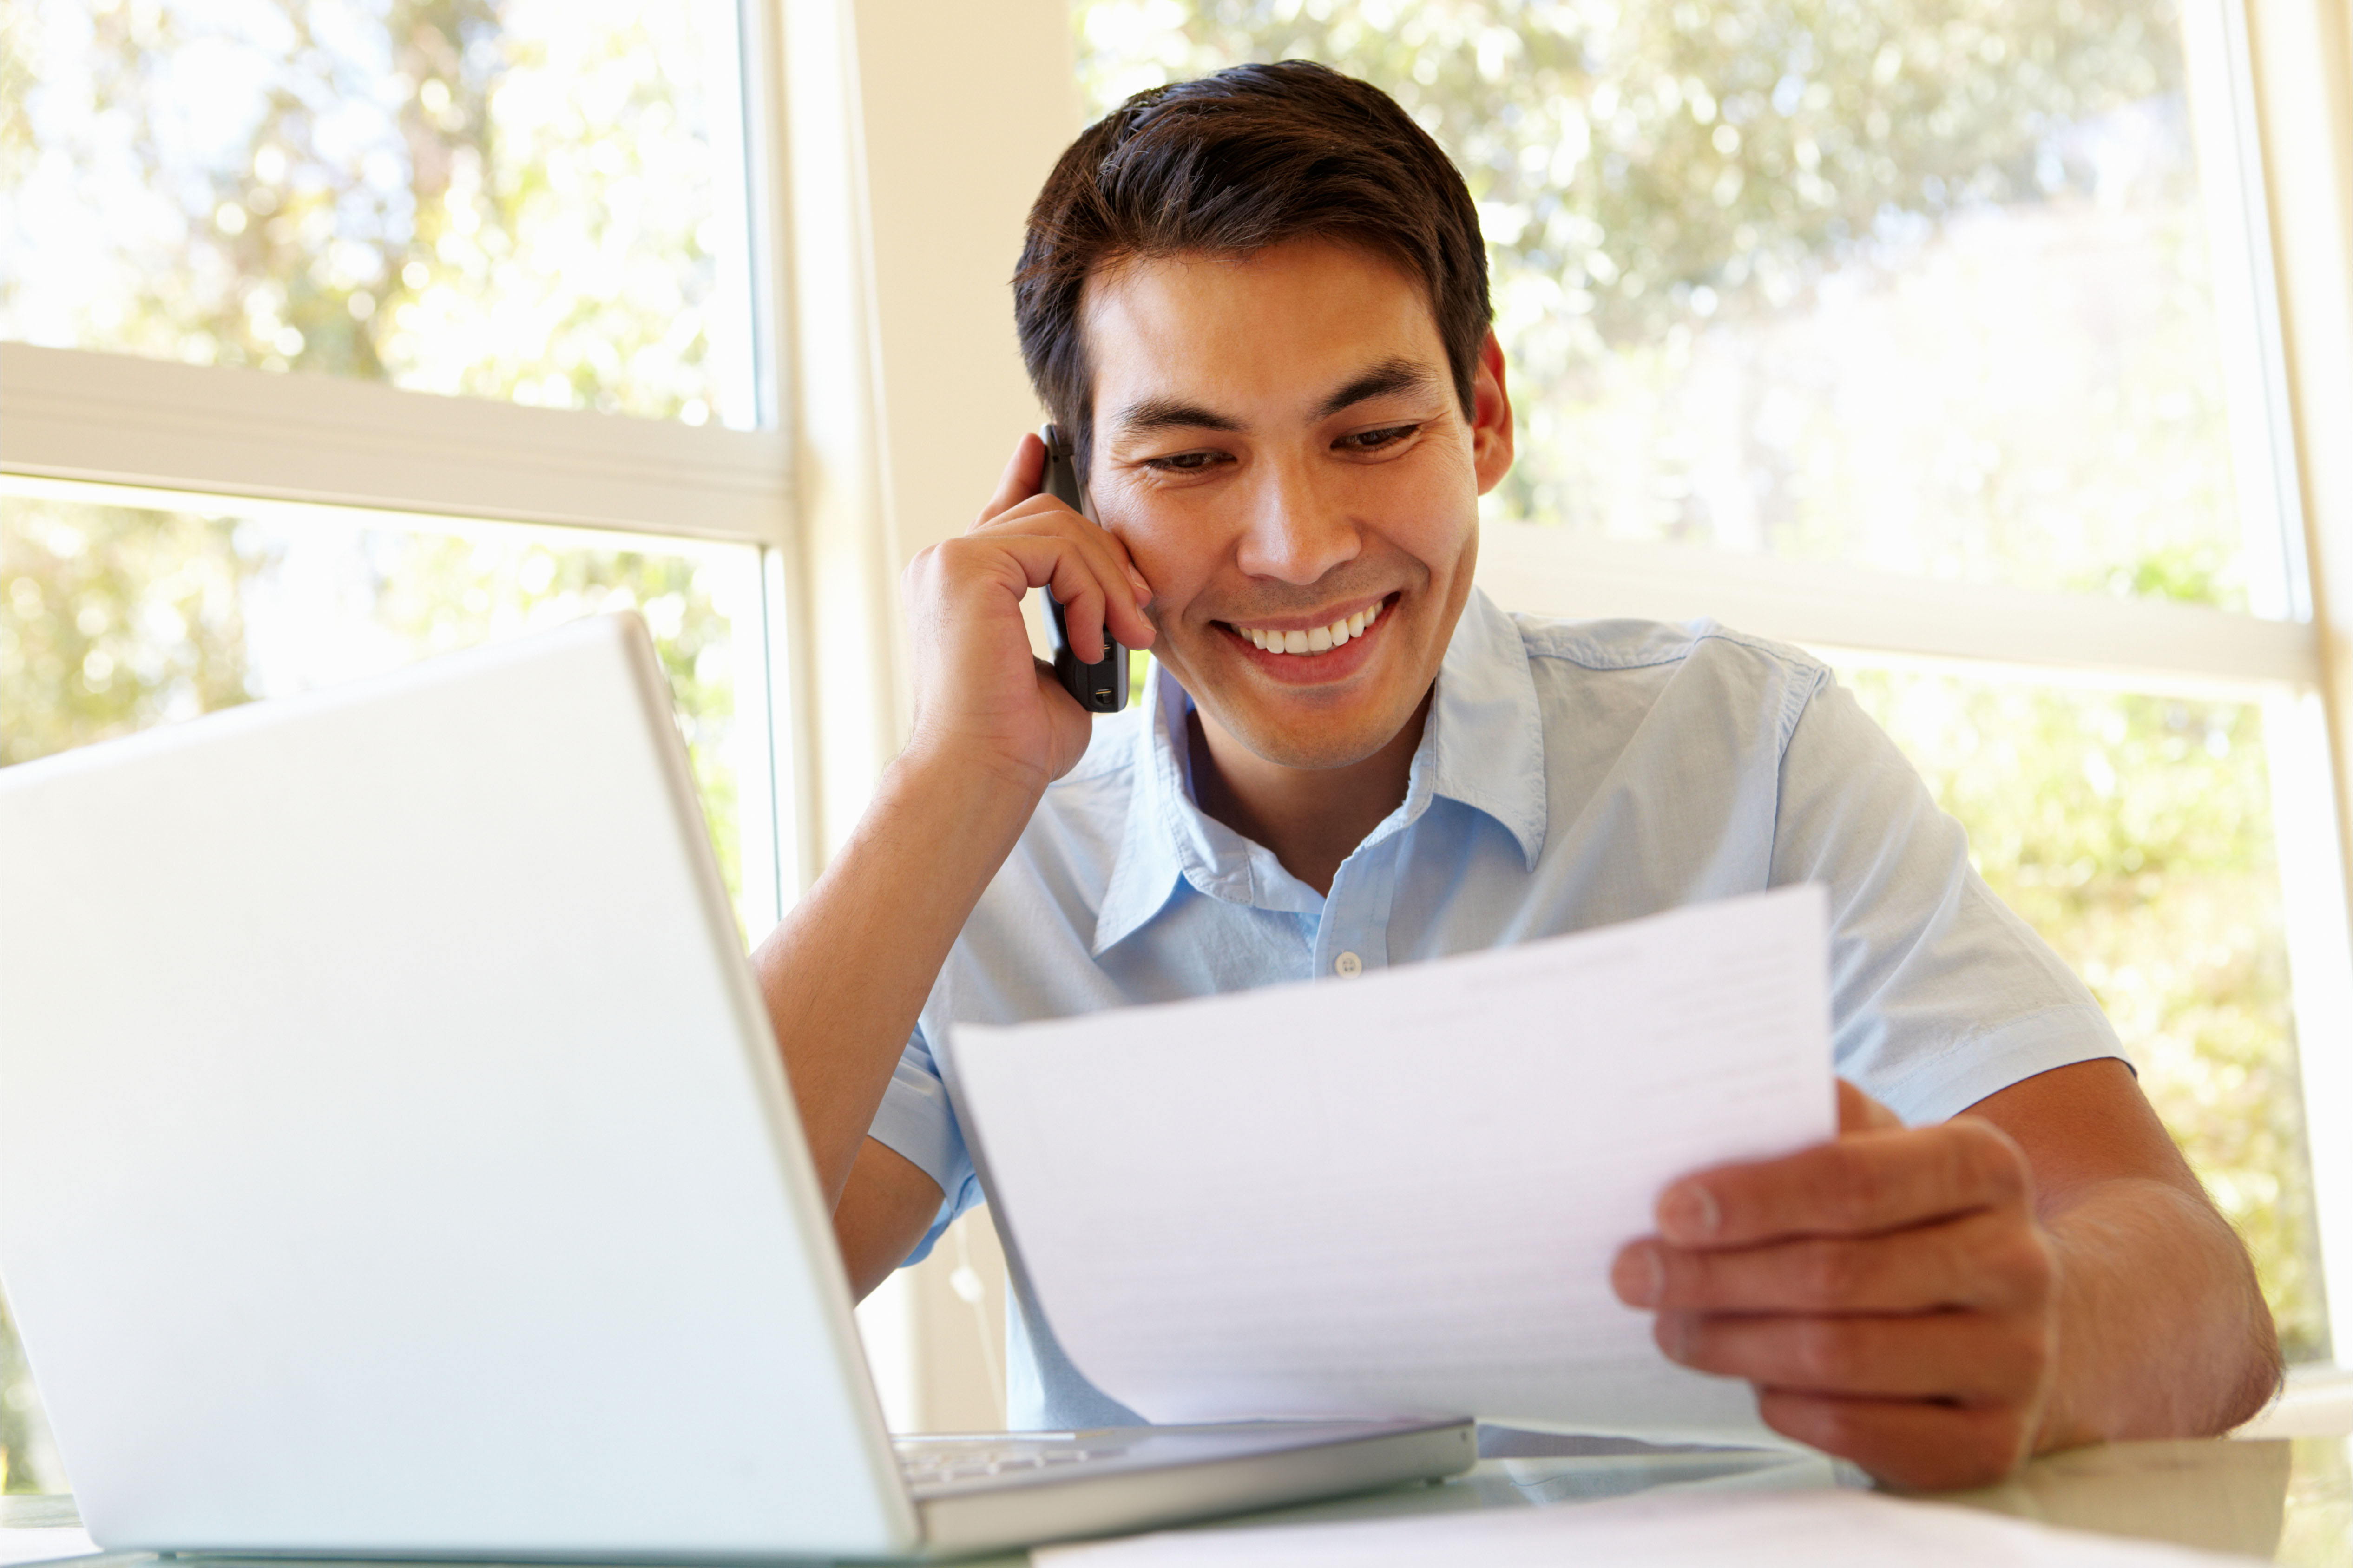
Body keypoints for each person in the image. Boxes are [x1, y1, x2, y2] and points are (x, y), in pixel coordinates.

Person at [750, 60, 2281, 1489]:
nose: (1296, 548)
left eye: (1372, 430)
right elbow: (702, 1288)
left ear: (1482, 414)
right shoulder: (987, 860)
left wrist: (2039, 1336)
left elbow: (2201, 1302)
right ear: (1069, 491)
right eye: (1191, 459)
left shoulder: (1746, 752)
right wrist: (953, 776)